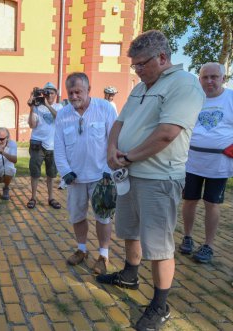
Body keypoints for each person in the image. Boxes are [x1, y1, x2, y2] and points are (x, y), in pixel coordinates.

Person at [96, 30, 205, 331]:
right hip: (130, 175)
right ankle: (130, 274)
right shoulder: (141, 86)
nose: (138, 70)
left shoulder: (185, 85)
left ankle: (160, 304)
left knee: (158, 245)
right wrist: (111, 149)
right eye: (134, 66)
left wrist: (128, 156)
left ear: (163, 57)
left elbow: (167, 133)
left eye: (142, 64)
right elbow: (120, 121)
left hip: (159, 177)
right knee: (130, 230)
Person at [54, 72, 117, 275]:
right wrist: (65, 172)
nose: (73, 96)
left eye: (78, 92)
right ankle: (81, 250)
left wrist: (109, 170)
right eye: (70, 92)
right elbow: (59, 147)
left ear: (89, 90)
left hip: (101, 177)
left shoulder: (105, 108)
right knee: (77, 216)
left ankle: (103, 255)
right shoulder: (63, 115)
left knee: (103, 218)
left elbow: (114, 141)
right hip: (75, 178)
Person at [179, 62, 233, 263]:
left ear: (223, 79)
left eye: (214, 77)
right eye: (205, 77)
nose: (209, 81)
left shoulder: (230, 98)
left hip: (219, 164)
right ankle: (187, 237)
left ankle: (208, 245)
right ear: (199, 79)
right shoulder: (194, 99)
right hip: (192, 161)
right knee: (189, 200)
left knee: (212, 204)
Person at [26, 82, 63, 209]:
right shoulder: (36, 106)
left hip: (53, 145)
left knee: (51, 173)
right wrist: (31, 108)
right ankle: (33, 197)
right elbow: (32, 125)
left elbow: (59, 119)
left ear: (56, 94)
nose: (48, 95)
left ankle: (51, 198)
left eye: (51, 93)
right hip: (38, 143)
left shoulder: (59, 107)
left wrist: (47, 105)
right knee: (35, 172)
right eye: (46, 93)